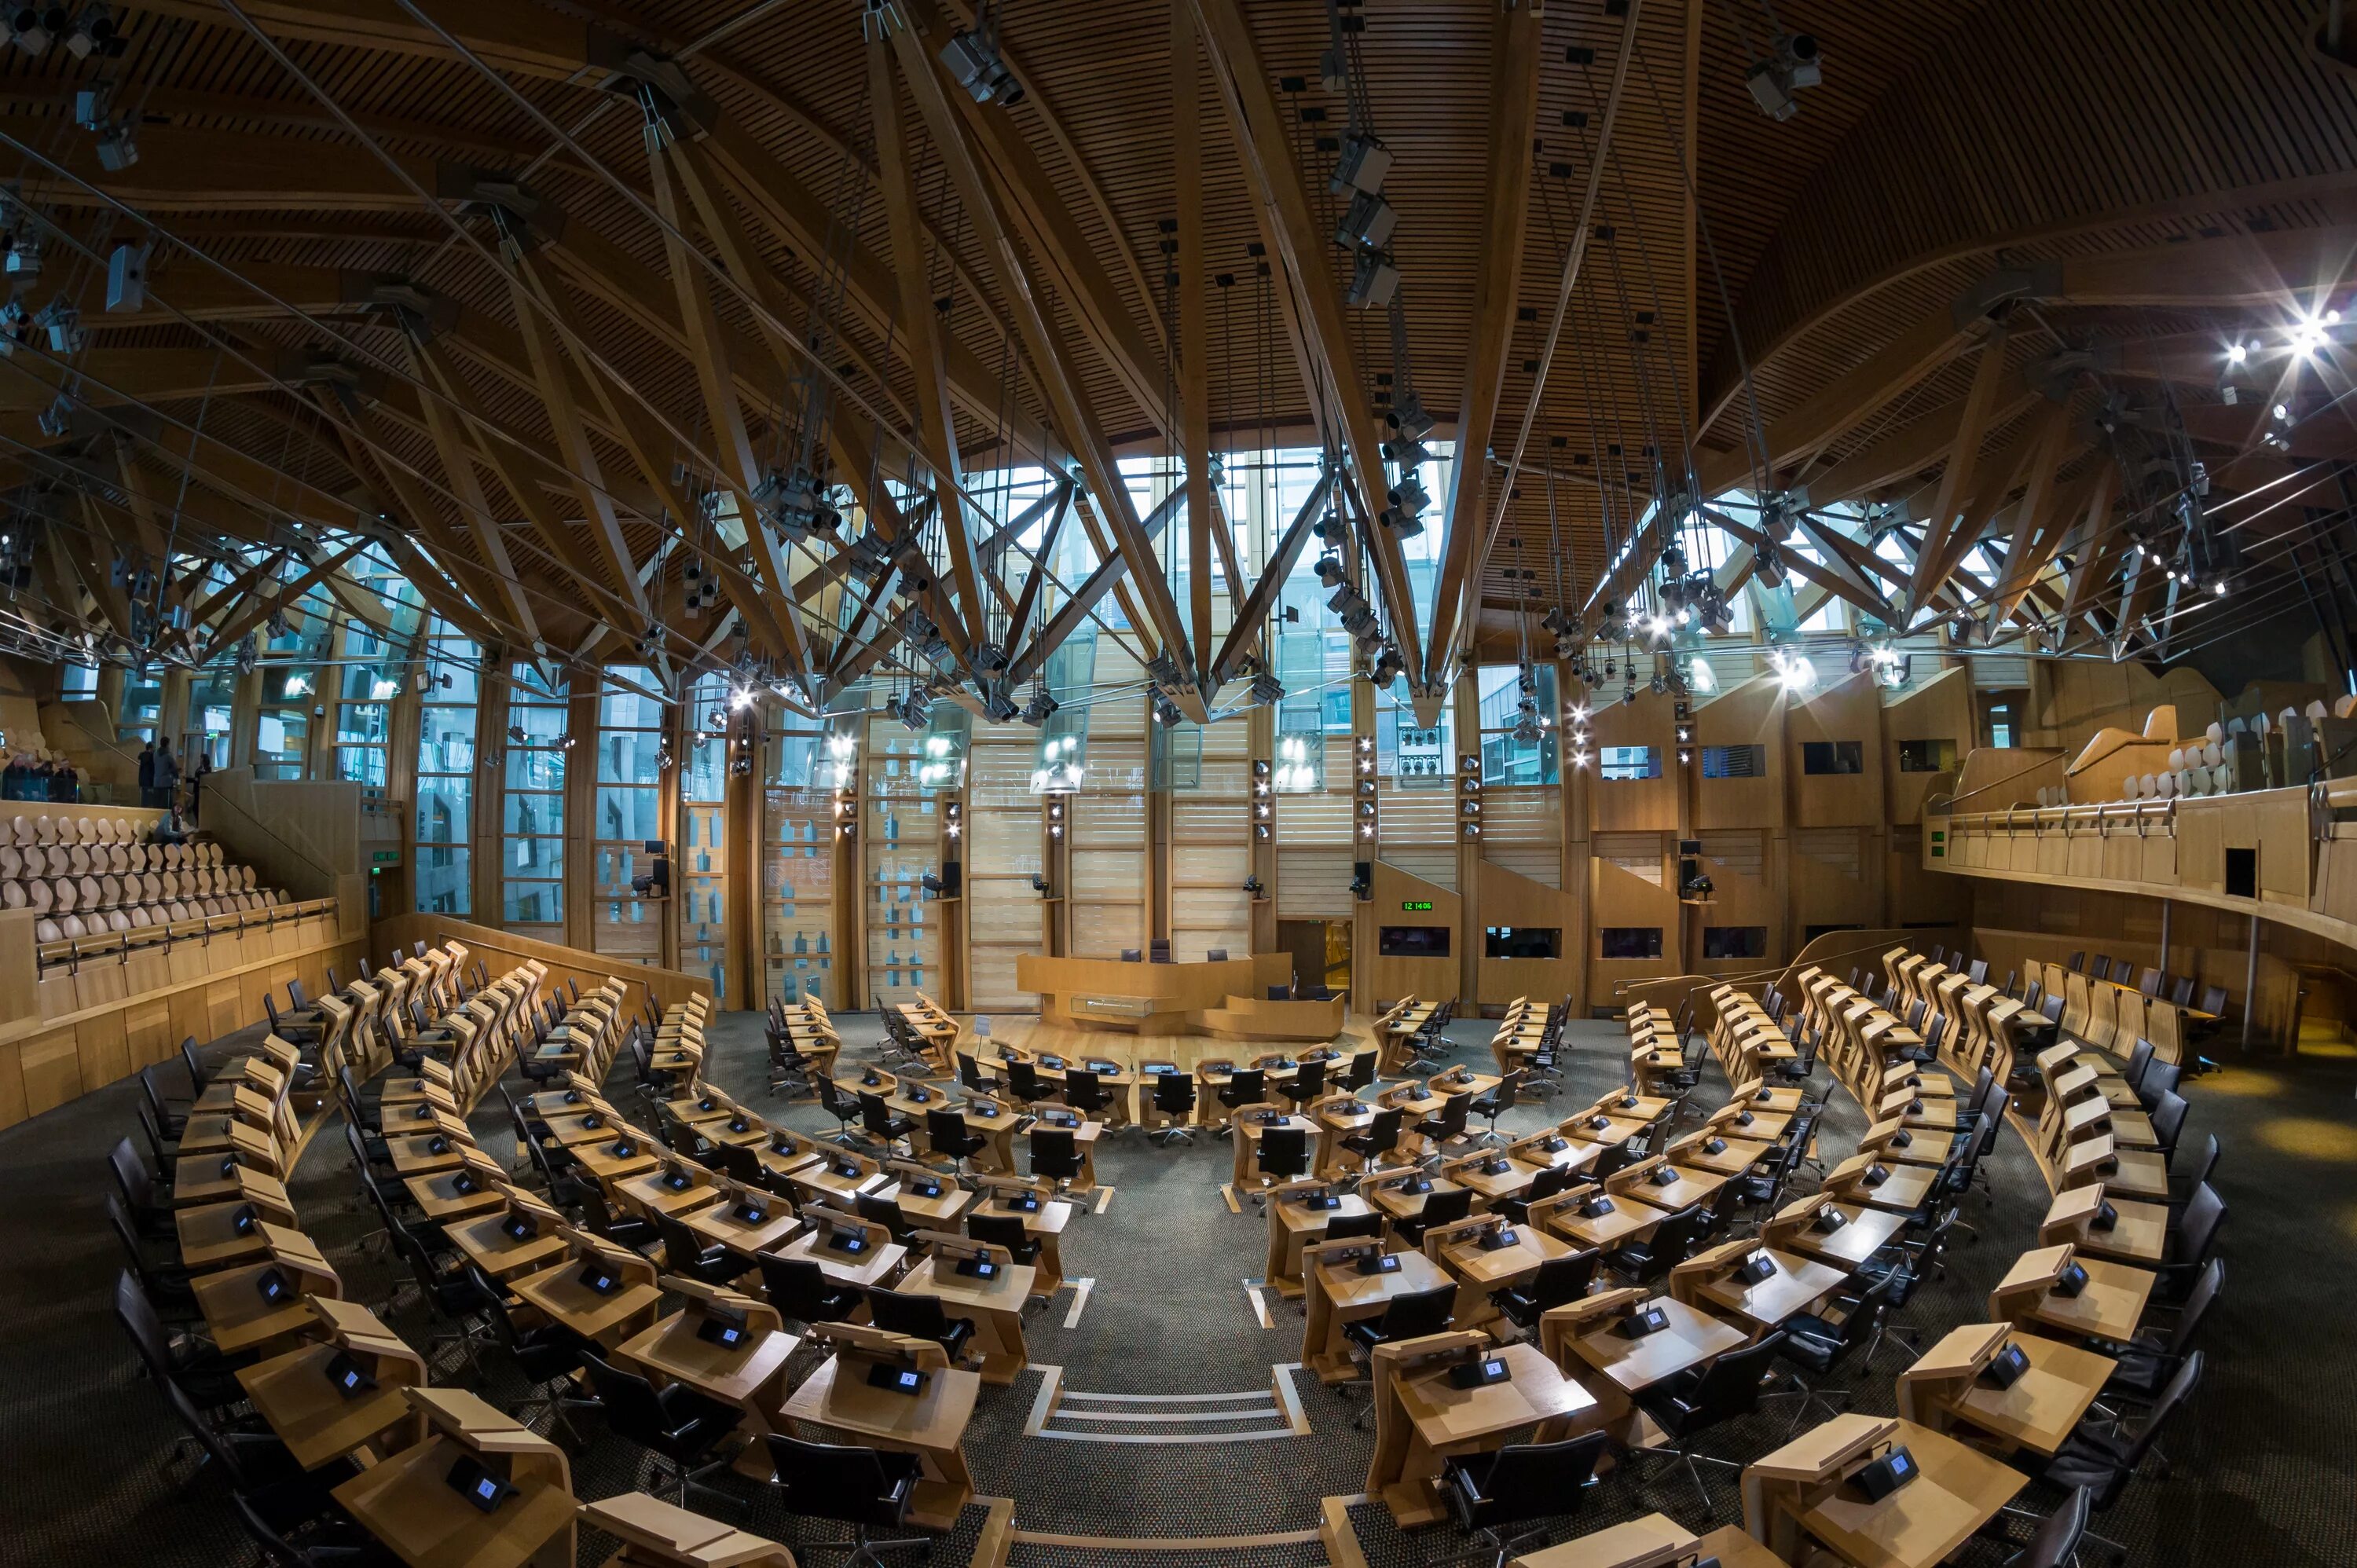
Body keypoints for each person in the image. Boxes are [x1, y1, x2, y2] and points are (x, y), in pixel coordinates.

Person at [154, 737, 179, 814]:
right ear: (168, 744)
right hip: (166, 783)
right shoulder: (168, 756)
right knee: (167, 804)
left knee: (157, 804)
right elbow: (175, 768)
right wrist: (177, 780)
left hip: (156, 782)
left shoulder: (155, 754)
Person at [189, 749, 211, 822]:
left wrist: (199, 777)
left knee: (198, 808)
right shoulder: (199, 768)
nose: (200, 759)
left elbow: (206, 776)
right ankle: (198, 822)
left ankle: (200, 823)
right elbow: (195, 778)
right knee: (195, 808)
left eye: (201, 758)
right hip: (196, 789)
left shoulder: (208, 768)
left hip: (202, 790)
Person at [136, 740, 156, 808]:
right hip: (149, 781)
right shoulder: (152, 756)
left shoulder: (142, 756)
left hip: (142, 780)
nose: (154, 749)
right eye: (154, 747)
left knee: (143, 799)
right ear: (151, 748)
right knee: (150, 801)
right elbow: (152, 770)